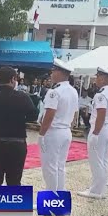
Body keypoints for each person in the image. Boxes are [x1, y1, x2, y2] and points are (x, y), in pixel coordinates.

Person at [0, 66, 38, 186]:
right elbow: (33, 116)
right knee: (14, 181)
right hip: (17, 143)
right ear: (12, 79)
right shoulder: (23, 97)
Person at [77, 67, 108, 199]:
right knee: (104, 160)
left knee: (96, 161)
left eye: (97, 76)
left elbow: (101, 114)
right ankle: (101, 189)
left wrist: (95, 133)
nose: (96, 79)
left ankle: (96, 191)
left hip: (100, 130)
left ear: (102, 78)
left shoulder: (101, 94)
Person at [37, 59, 79, 192]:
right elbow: (75, 113)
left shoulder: (54, 91)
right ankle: (59, 195)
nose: (51, 74)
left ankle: (51, 198)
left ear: (60, 73)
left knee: (49, 167)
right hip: (66, 131)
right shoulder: (73, 90)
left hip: (53, 131)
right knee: (60, 166)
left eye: (53, 71)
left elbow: (50, 114)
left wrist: (41, 134)